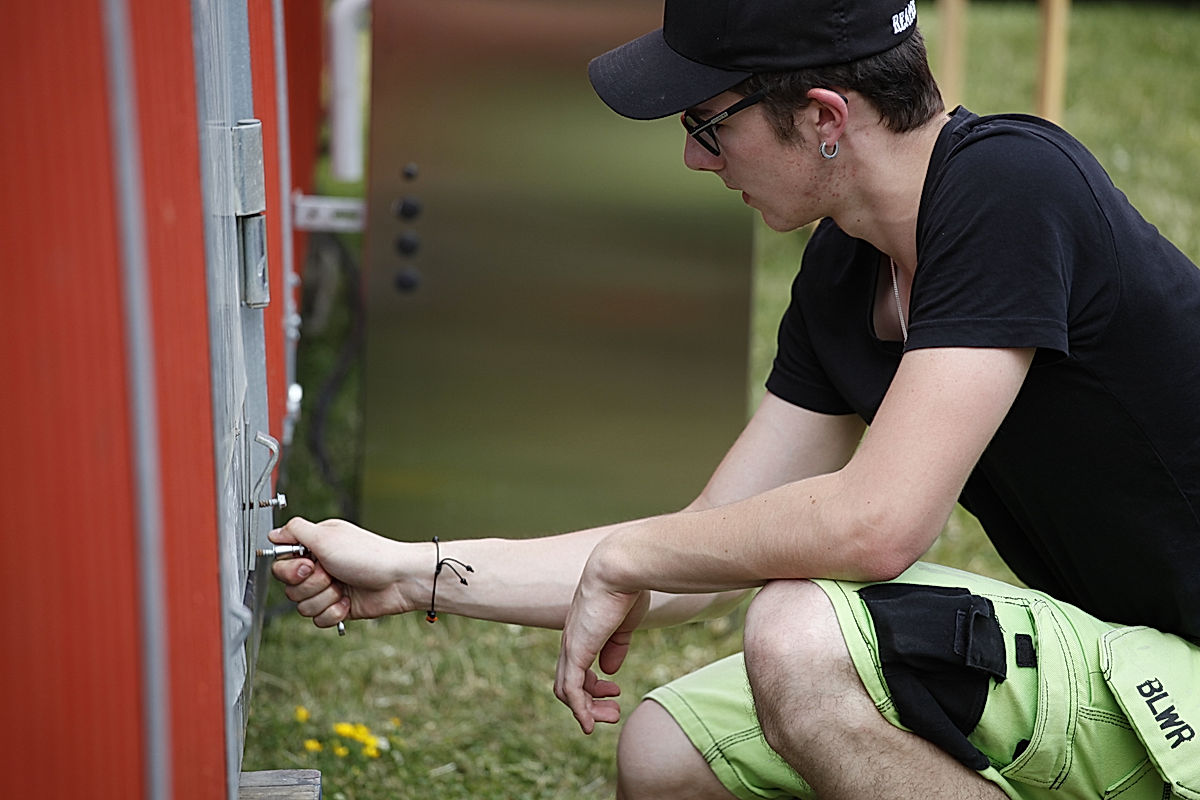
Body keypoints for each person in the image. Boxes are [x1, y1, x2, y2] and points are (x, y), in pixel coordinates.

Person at [270, 0, 1200, 797]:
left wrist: (633, 555)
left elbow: (877, 522)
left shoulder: (1011, 185)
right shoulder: (846, 270)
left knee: (799, 636)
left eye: (708, 121)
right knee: (667, 751)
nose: (693, 157)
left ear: (826, 114)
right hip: (1124, 654)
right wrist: (412, 570)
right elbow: (707, 543)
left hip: (1181, 678)